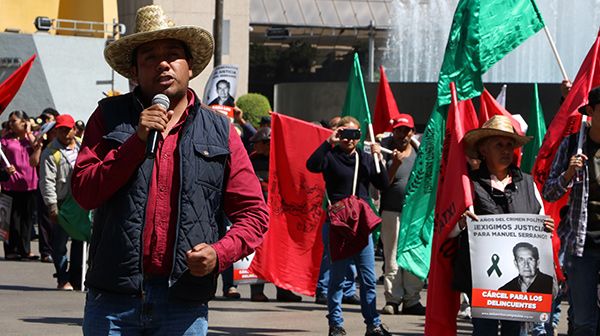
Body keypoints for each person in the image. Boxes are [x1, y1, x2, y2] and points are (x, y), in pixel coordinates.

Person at [71, 5, 268, 335]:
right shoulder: (108, 116)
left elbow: (254, 214)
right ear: (134, 71)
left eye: (173, 54)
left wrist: (219, 254)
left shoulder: (221, 131)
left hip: (184, 303)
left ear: (190, 67)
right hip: (113, 302)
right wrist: (136, 141)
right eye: (149, 56)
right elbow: (84, 192)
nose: (162, 63)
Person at [453, 115, 555, 336]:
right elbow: (447, 228)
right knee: (485, 330)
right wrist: (461, 223)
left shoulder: (527, 183)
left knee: (515, 331)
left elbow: (540, 220)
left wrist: (546, 227)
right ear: (483, 149)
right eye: (499, 144)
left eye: (510, 145)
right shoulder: (467, 184)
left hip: (518, 282)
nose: (506, 150)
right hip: (481, 278)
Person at [307, 116, 391, 336]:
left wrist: (377, 157)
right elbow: (311, 165)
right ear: (339, 133)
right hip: (338, 226)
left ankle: (373, 323)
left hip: (361, 225)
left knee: (367, 278)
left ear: (360, 136)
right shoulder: (330, 157)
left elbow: (383, 183)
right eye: (345, 134)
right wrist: (329, 142)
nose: (349, 139)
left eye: (354, 135)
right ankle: (335, 323)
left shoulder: (365, 159)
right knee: (337, 277)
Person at [543, 86, 600, 336]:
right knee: (584, 321)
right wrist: (567, 174)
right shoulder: (572, 146)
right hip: (582, 247)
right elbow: (549, 192)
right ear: (591, 111)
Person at [245, 127, 303, 302]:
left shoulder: (283, 160)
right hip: (259, 210)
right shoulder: (252, 160)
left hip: (282, 212)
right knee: (258, 250)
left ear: (267, 143)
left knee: (282, 251)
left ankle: (283, 289)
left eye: (257, 143)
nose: (254, 146)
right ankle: (256, 290)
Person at [378, 114, 424, 316]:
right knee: (392, 256)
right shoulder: (384, 152)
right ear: (393, 131)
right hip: (392, 212)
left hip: (415, 215)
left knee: (413, 255)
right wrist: (394, 164)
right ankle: (393, 299)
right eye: (398, 130)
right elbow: (381, 184)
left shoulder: (421, 152)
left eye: (406, 130)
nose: (402, 134)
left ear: (412, 132)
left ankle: (412, 300)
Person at [39, 114, 83, 290]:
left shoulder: (83, 146)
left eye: (68, 129)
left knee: (80, 241)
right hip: (62, 203)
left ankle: (76, 277)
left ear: (74, 130)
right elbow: (47, 182)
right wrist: (52, 207)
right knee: (59, 244)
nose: (64, 133)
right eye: (61, 129)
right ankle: (63, 278)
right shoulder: (50, 152)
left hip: (81, 202)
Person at [1, 110, 39, 261]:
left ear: (24, 122)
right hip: (10, 184)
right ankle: (11, 250)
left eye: (14, 121)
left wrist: (29, 132)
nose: (11, 123)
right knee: (11, 220)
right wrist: (4, 170)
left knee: (27, 219)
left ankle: (25, 250)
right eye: (10, 121)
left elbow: (37, 150)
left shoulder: (32, 139)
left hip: (29, 184)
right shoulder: (5, 140)